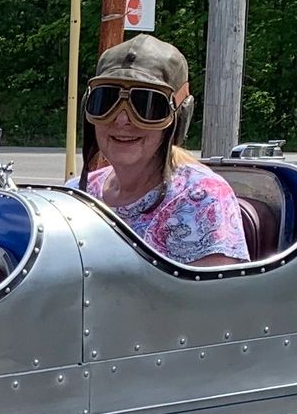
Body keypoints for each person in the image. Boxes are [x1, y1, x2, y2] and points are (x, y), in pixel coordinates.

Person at [64, 36, 248, 267]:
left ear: (177, 117)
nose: (122, 120)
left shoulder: (201, 198)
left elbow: (210, 298)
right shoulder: (75, 195)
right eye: (106, 101)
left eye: (146, 105)